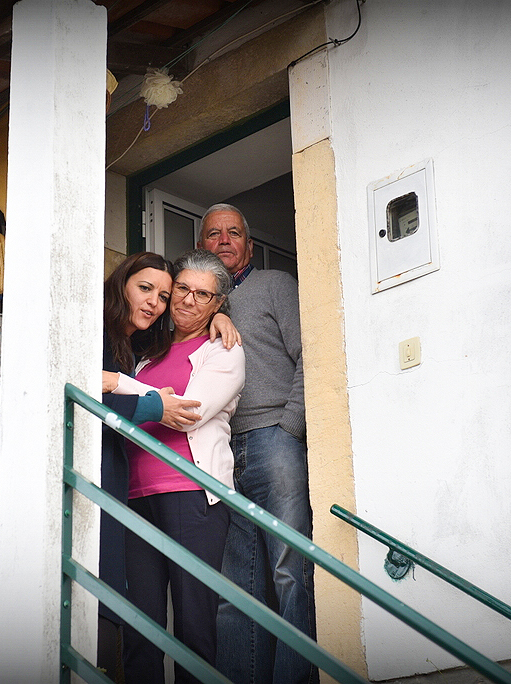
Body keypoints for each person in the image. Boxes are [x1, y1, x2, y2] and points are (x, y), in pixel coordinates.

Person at [105, 249, 245, 684]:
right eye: (181, 289)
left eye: (203, 295)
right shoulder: (146, 349)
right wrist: (132, 387)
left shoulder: (224, 351)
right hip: (133, 497)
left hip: (191, 495)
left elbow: (189, 411)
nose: (187, 300)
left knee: (193, 623)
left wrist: (117, 383)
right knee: (140, 626)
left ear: (218, 303)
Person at [200, 204, 318, 684]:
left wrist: (291, 426)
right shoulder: (198, 305)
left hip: (275, 441)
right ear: (201, 247)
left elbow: (311, 352)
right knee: (236, 585)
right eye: (214, 234)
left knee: (291, 570)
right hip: (223, 451)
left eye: (234, 232)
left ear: (249, 245)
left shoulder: (274, 285)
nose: (224, 240)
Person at [99, 251, 202, 679]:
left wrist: (219, 316)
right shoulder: (94, 330)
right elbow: (85, 398)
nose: (154, 303)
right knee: (102, 592)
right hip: (91, 472)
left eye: (162, 296)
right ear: (121, 284)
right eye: (144, 289)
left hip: (117, 478)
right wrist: (153, 406)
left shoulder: (135, 346)